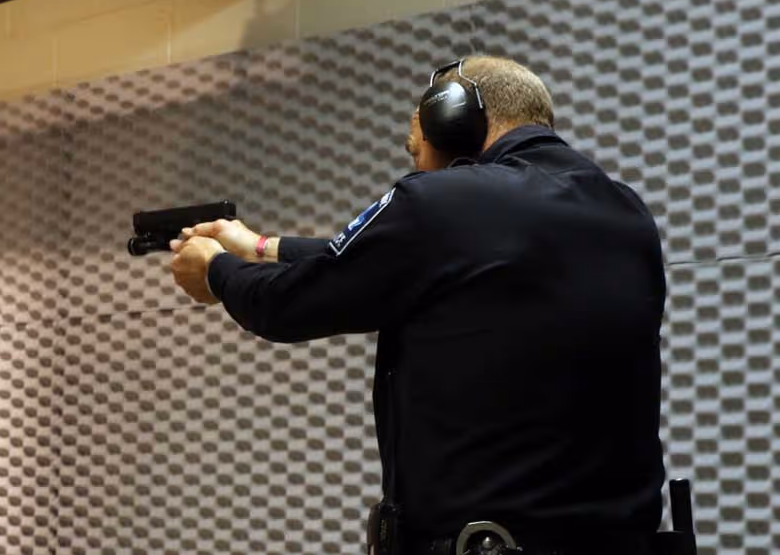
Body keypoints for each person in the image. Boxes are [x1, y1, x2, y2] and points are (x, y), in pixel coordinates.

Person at [168, 56, 666, 555]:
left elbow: (284, 305)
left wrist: (214, 270)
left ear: (454, 120)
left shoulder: (441, 201)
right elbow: (415, 257)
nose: (418, 165)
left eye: (417, 150)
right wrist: (258, 246)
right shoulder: (626, 213)